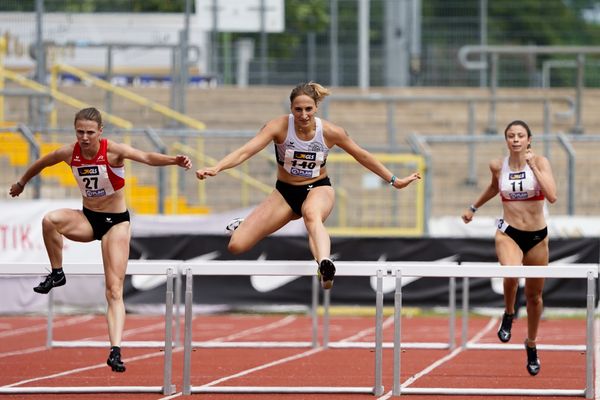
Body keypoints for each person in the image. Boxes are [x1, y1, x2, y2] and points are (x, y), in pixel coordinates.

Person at [9, 107, 192, 372]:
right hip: (87, 219)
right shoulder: (68, 153)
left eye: (90, 132)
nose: (84, 137)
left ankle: (115, 350)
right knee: (50, 220)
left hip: (115, 224)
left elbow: (146, 156)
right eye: (80, 132)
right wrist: (21, 182)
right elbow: (43, 161)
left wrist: (173, 161)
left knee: (113, 290)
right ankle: (57, 273)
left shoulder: (113, 151)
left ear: (100, 132)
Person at [196, 81, 421, 289]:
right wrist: (218, 167)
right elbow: (246, 150)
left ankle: (325, 264)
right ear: (291, 109)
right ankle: (245, 224)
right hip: (284, 193)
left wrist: (394, 180)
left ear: (316, 108)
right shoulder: (278, 127)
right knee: (237, 246)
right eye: (298, 110)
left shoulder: (331, 132)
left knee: (311, 215)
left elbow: (363, 156)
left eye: (308, 109)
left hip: (318, 188)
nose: (303, 115)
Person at [461, 120, 556, 376]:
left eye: (520, 136)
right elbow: (494, 187)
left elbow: (553, 196)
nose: (515, 139)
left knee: (535, 296)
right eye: (511, 136)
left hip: (537, 236)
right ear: (506, 140)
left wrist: (534, 166)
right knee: (510, 273)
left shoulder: (541, 162)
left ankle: (532, 343)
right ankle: (509, 312)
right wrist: (473, 207)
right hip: (509, 232)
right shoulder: (497, 165)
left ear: (529, 140)